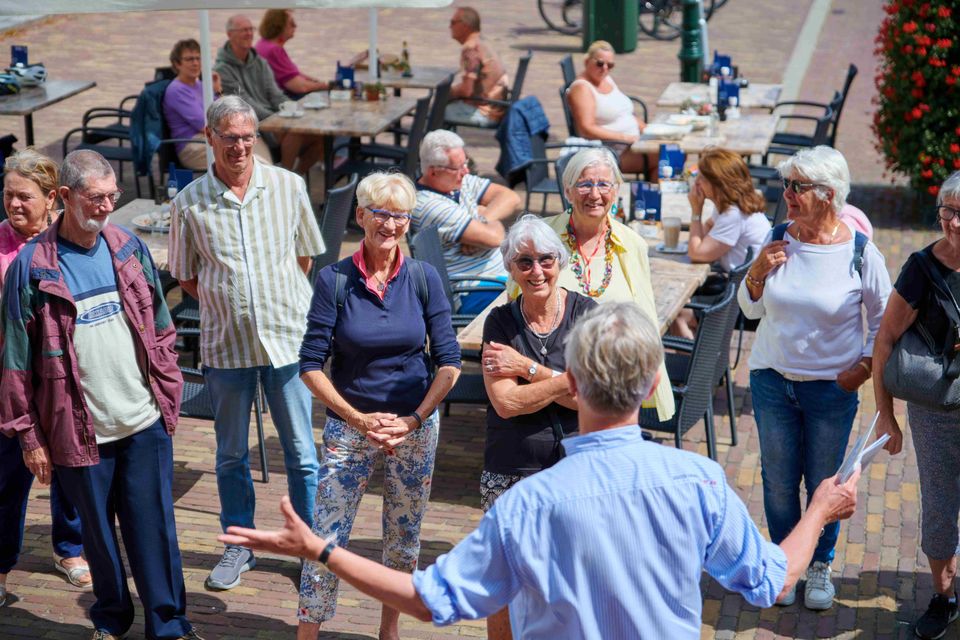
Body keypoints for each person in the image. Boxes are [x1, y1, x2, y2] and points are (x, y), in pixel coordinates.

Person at [220, 301, 862, 639]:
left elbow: (428, 600)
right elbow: (772, 581)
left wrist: (323, 549)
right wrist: (818, 511)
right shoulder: (696, 481)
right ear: (650, 385)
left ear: (572, 384)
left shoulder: (527, 504)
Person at [0, 150, 200, 639]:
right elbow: (16, 362)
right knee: (99, 539)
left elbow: (160, 323)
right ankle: (111, 620)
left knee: (154, 530)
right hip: (76, 429)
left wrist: (166, 387)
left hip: (142, 419)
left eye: (113, 195)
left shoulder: (128, 246)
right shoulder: (31, 267)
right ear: (65, 198)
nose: (108, 205)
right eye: (96, 197)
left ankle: (169, 625)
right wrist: (28, 435)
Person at [168, 96, 325, 592]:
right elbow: (185, 275)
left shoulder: (288, 186)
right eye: (229, 137)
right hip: (226, 345)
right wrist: (228, 301)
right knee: (230, 454)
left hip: (286, 340)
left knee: (302, 454)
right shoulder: (188, 202)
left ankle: (311, 549)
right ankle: (240, 546)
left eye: (247, 136)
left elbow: (305, 258)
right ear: (209, 137)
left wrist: (271, 300)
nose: (239, 146)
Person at [297, 171, 461, 640]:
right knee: (326, 537)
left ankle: (389, 631)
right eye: (381, 214)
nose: (390, 225)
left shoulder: (425, 277)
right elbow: (310, 365)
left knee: (404, 538)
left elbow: (449, 362)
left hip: (414, 425)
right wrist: (358, 418)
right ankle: (307, 633)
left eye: (401, 216)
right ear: (361, 216)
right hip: (352, 427)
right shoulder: (335, 280)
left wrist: (413, 419)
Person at [738, 145, 891, 610]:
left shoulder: (860, 252)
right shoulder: (777, 237)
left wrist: (863, 369)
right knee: (779, 481)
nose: (787, 194)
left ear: (828, 194)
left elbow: (885, 319)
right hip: (772, 381)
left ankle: (820, 564)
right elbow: (749, 310)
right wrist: (756, 276)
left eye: (797, 187)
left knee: (825, 484)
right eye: (787, 185)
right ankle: (786, 563)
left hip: (830, 390)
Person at [479, 215, 596, 640]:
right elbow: (506, 404)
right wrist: (565, 380)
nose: (536, 271)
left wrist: (527, 368)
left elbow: (592, 401)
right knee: (505, 581)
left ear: (559, 261)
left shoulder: (587, 316)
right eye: (523, 262)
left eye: (545, 260)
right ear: (511, 268)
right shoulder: (499, 323)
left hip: (578, 469)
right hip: (511, 465)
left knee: (572, 579)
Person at [0, 149, 91, 606]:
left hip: (62, 378)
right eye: (8, 195)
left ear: (52, 199)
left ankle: (69, 548)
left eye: (24, 197)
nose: (14, 204)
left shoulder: (67, 244)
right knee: (6, 479)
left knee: (72, 470)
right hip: (8, 382)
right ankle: (0, 564)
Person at [873, 171, 960, 640]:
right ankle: (943, 597)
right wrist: (886, 415)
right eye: (947, 211)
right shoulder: (921, 268)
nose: (955, 223)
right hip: (936, 412)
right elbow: (885, 340)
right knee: (941, 505)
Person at [529, 146, 674, 421]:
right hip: (550, 383)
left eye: (603, 184)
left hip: (613, 385)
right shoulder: (540, 239)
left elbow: (646, 317)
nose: (595, 194)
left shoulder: (632, 245)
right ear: (568, 191)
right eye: (584, 184)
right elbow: (517, 309)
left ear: (616, 189)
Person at [412, 130, 521, 314]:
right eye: (457, 168)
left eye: (466, 163)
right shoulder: (428, 205)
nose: (466, 171)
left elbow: (511, 197)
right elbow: (494, 238)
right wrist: (485, 220)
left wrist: (483, 218)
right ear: (433, 172)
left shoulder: (458, 183)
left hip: (498, 276)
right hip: (470, 289)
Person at [672, 147, 771, 338]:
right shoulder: (729, 205)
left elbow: (697, 253)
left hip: (747, 300)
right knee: (683, 296)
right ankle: (700, 356)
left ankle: (695, 366)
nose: (697, 183)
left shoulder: (734, 214)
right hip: (740, 286)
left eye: (701, 178)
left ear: (717, 184)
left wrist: (696, 210)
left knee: (679, 312)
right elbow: (706, 233)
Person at [214, 14, 322, 174]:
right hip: (250, 124)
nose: (249, 33)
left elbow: (275, 94)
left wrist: (292, 109)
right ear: (230, 35)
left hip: (273, 119)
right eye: (244, 30)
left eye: (251, 29)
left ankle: (296, 177)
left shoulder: (260, 62)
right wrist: (278, 119)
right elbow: (245, 103)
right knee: (295, 133)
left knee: (322, 137)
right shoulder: (222, 69)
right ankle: (283, 178)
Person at [163, 39, 274, 171]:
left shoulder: (200, 85)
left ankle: (268, 176)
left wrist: (218, 90)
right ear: (177, 64)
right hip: (194, 145)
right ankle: (265, 178)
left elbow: (223, 110)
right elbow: (204, 124)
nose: (195, 63)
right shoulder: (177, 90)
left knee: (254, 139)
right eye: (189, 59)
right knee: (248, 157)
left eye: (198, 58)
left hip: (215, 136)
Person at [566, 40, 653, 176]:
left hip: (633, 143)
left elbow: (624, 113)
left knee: (672, 149)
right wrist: (625, 138)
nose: (605, 68)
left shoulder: (605, 79)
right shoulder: (582, 88)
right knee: (667, 155)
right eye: (600, 63)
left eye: (610, 65)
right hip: (613, 152)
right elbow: (586, 129)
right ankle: (655, 194)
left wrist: (648, 130)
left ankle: (654, 192)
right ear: (587, 61)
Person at [445, 6, 510, 127]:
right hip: (497, 109)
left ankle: (441, 145)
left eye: (453, 22)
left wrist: (449, 92)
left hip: (485, 113)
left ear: (465, 25)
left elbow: (466, 91)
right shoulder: (483, 42)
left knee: (436, 113)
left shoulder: (471, 49)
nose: (450, 27)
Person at [255, 10, 328, 99]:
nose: (295, 26)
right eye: (292, 23)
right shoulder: (273, 50)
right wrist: (324, 86)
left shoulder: (263, 43)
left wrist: (315, 82)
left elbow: (292, 74)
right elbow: (299, 87)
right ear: (279, 26)